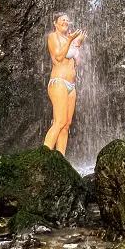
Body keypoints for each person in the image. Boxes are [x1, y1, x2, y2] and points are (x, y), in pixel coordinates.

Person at [43, 13, 86, 155]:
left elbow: (77, 63)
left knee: (66, 125)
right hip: (58, 83)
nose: (66, 22)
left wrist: (77, 43)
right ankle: (43, 158)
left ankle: (60, 161)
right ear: (55, 23)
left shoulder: (70, 40)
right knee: (59, 122)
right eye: (63, 20)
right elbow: (59, 57)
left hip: (71, 86)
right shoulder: (53, 37)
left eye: (68, 20)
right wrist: (70, 40)